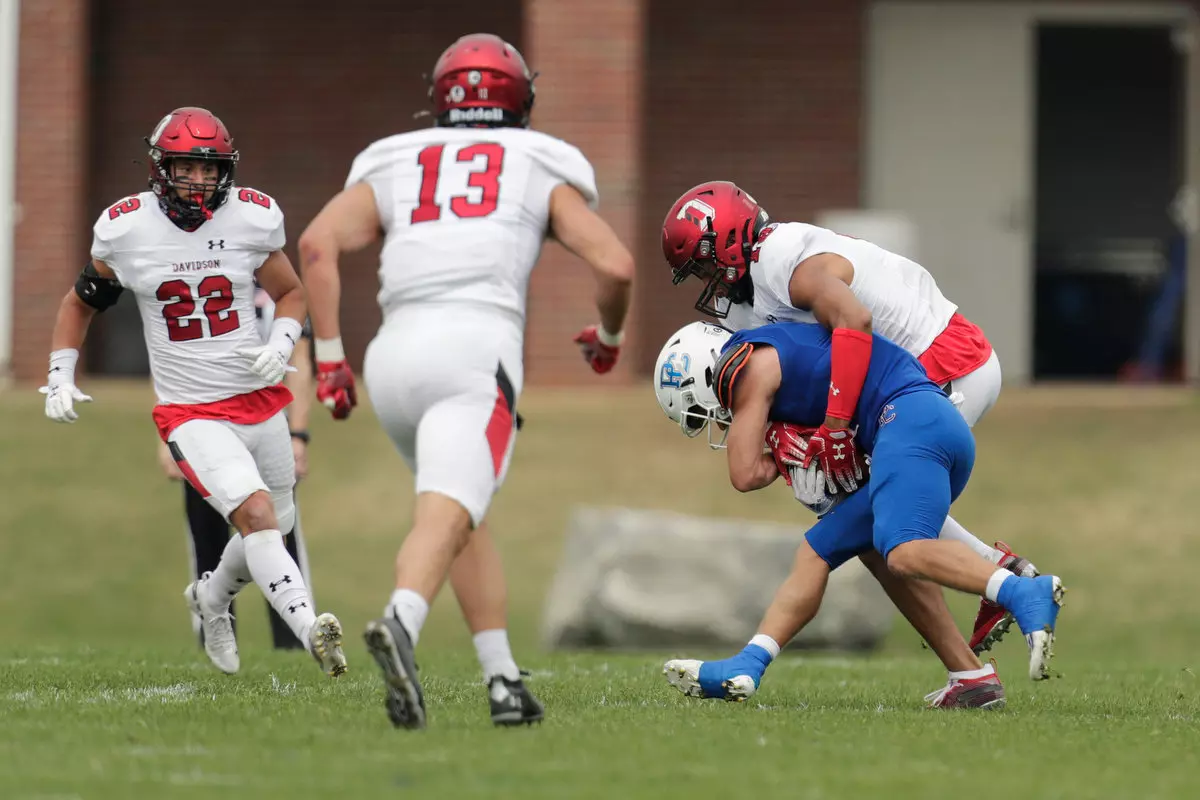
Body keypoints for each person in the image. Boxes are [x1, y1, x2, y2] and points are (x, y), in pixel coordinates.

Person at [298, 34, 635, 729]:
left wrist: (329, 355)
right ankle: (402, 622)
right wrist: (608, 337)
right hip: (474, 349)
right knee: (448, 512)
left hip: (391, 357)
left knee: (457, 514)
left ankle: (503, 680)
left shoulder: (393, 157)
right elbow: (616, 265)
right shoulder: (540, 159)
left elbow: (315, 245)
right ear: (521, 98)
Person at [661, 181, 1038, 654]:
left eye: (703, 264)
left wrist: (835, 428)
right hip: (898, 383)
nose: (705, 280)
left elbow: (853, 321)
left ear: (730, 238)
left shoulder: (780, 259)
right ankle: (978, 644)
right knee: (851, 507)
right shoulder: (744, 304)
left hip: (944, 361)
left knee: (873, 518)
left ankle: (1001, 579)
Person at [42, 106, 346, 679]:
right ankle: (312, 629)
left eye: (211, 169)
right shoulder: (127, 228)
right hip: (192, 411)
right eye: (187, 168)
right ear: (161, 169)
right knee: (255, 515)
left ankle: (211, 600)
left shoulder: (252, 218)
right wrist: (61, 372)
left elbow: (292, 295)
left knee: (270, 530)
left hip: (259, 401)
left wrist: (281, 344)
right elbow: (78, 303)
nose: (200, 181)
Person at [652, 320, 1065, 704]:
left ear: (707, 375)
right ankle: (750, 664)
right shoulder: (776, 351)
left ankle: (1021, 590)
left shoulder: (748, 367)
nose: (715, 421)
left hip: (909, 422)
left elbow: (744, 473)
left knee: (903, 550)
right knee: (822, 547)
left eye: (697, 410)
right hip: (919, 423)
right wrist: (800, 446)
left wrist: (781, 453)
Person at [158, 284, 317, 651]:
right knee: (207, 539)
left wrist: (299, 433)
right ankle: (211, 636)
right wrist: (165, 440)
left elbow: (300, 361)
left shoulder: (276, 292)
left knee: (279, 531)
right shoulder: (188, 287)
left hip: (264, 427)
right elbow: (166, 365)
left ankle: (295, 640)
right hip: (200, 426)